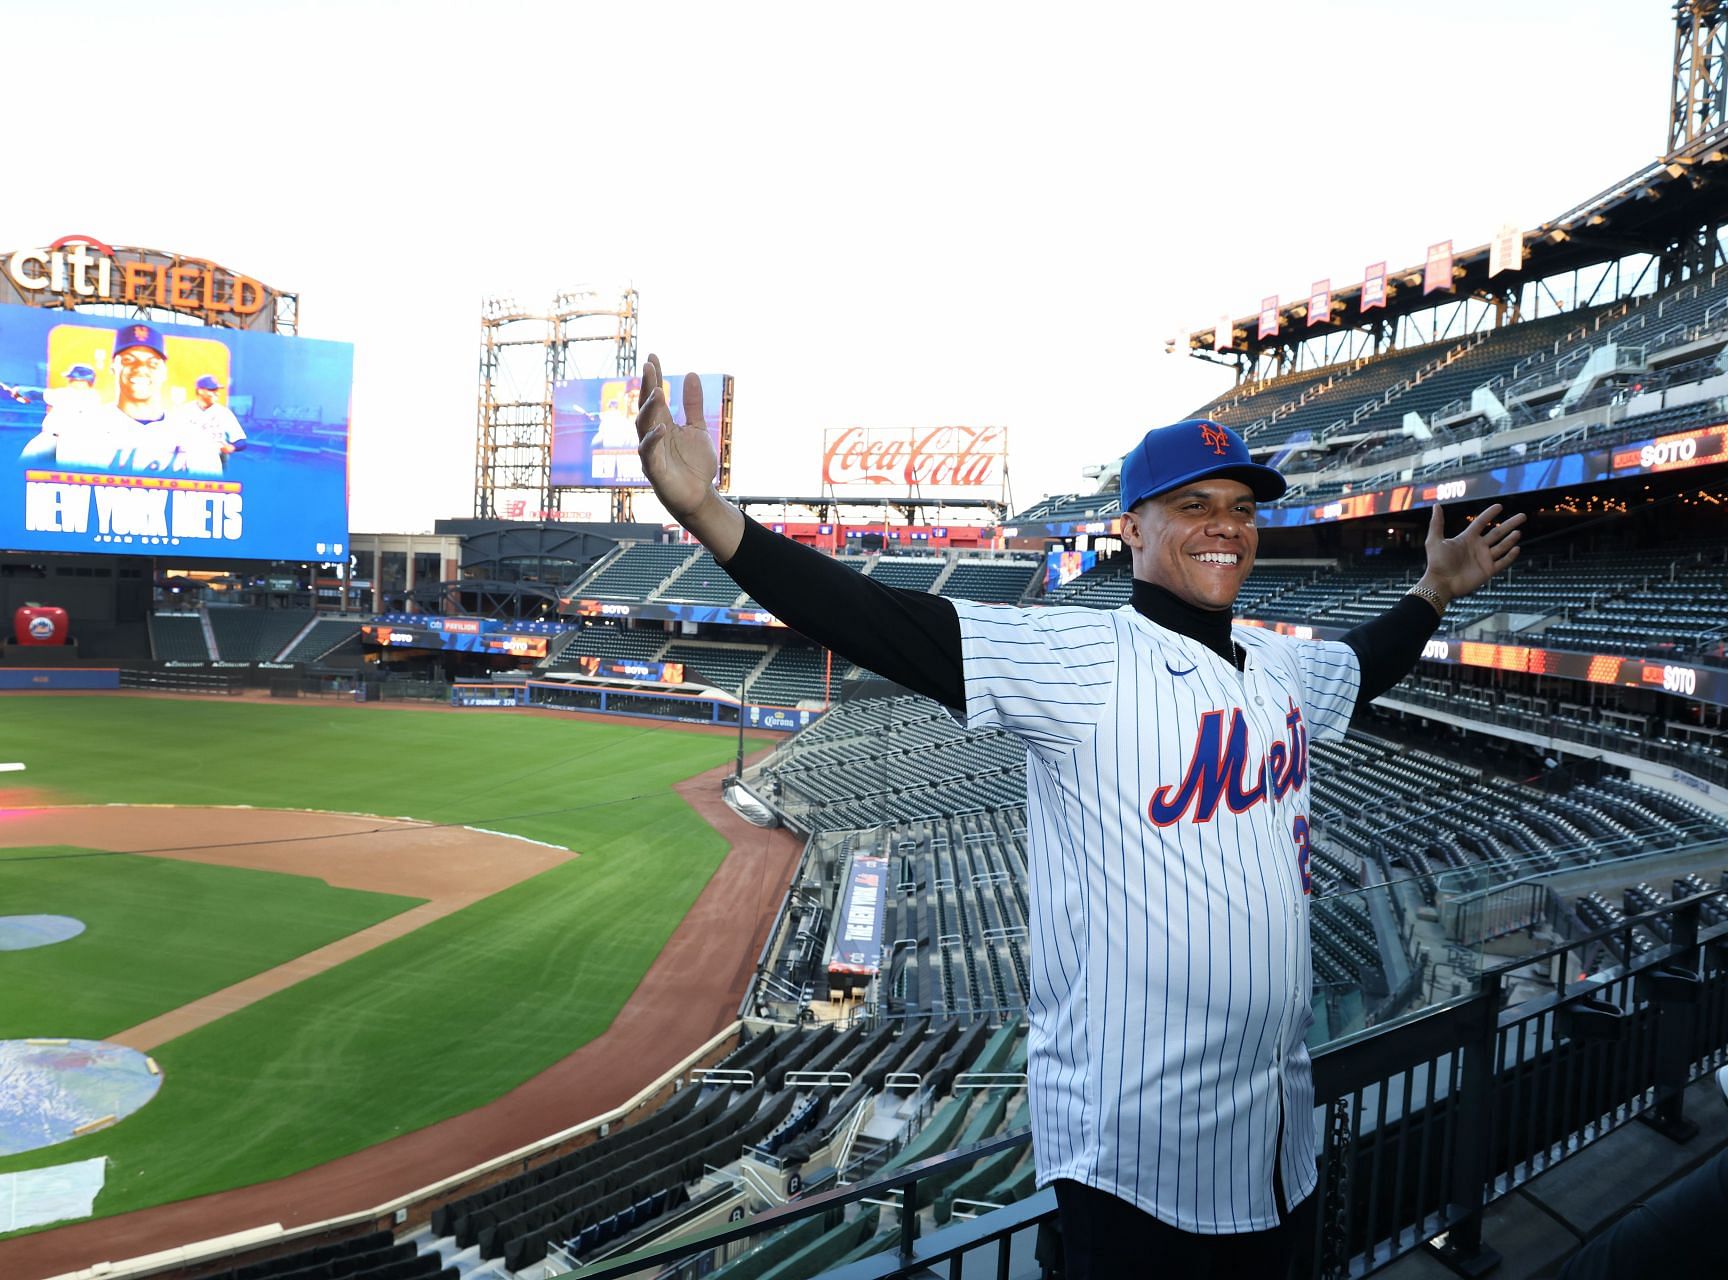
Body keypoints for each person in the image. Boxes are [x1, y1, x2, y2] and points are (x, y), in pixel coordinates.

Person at [633, 355, 1524, 1280]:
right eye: (1195, 506)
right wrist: (713, 518)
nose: (1225, 526)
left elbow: (1363, 666)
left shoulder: (1279, 663)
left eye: (1242, 508)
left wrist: (1433, 595)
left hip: (1279, 1142)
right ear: (1133, 528)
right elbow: (884, 622)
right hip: (1134, 1167)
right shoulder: (1083, 659)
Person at [172, 374, 247, 475]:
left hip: (212, 465)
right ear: (200, 391)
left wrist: (232, 447)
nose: (217, 393)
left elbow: (241, 441)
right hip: (185, 465)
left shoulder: (223, 413)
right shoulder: (183, 411)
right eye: (213, 390)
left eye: (217, 390)